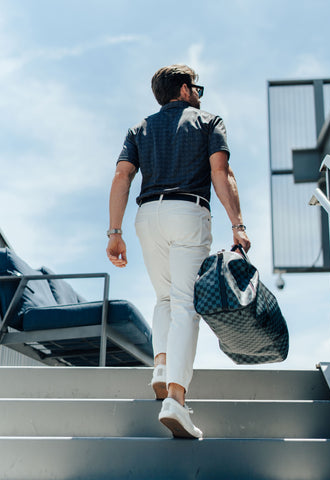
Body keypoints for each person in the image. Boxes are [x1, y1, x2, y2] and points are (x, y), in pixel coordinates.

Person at [106, 64, 251, 439]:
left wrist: (114, 232)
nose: (199, 92)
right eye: (196, 86)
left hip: (146, 215)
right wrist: (238, 224)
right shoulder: (207, 121)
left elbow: (122, 176)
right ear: (185, 89)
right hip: (188, 211)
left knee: (164, 298)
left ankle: (161, 366)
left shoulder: (139, 128)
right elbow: (222, 172)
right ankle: (176, 400)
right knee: (186, 304)